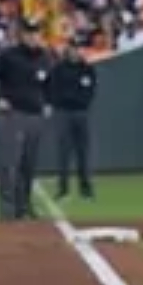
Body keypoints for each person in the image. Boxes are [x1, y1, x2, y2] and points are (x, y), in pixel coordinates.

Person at [0, 19, 52, 220]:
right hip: (13, 115)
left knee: (28, 164)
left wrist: (48, 102)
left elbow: (50, 84)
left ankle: (24, 207)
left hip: (35, 115)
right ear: (22, 35)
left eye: (36, 33)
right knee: (9, 164)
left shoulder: (44, 57)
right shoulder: (9, 56)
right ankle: (7, 211)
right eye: (29, 33)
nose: (33, 37)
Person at [48, 41, 98, 201]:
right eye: (72, 48)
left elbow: (90, 91)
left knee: (83, 153)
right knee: (63, 153)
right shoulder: (58, 69)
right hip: (63, 113)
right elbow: (52, 89)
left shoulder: (87, 69)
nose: (75, 51)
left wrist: (81, 102)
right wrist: (58, 103)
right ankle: (63, 190)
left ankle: (86, 189)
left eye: (78, 48)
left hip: (81, 113)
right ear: (68, 50)